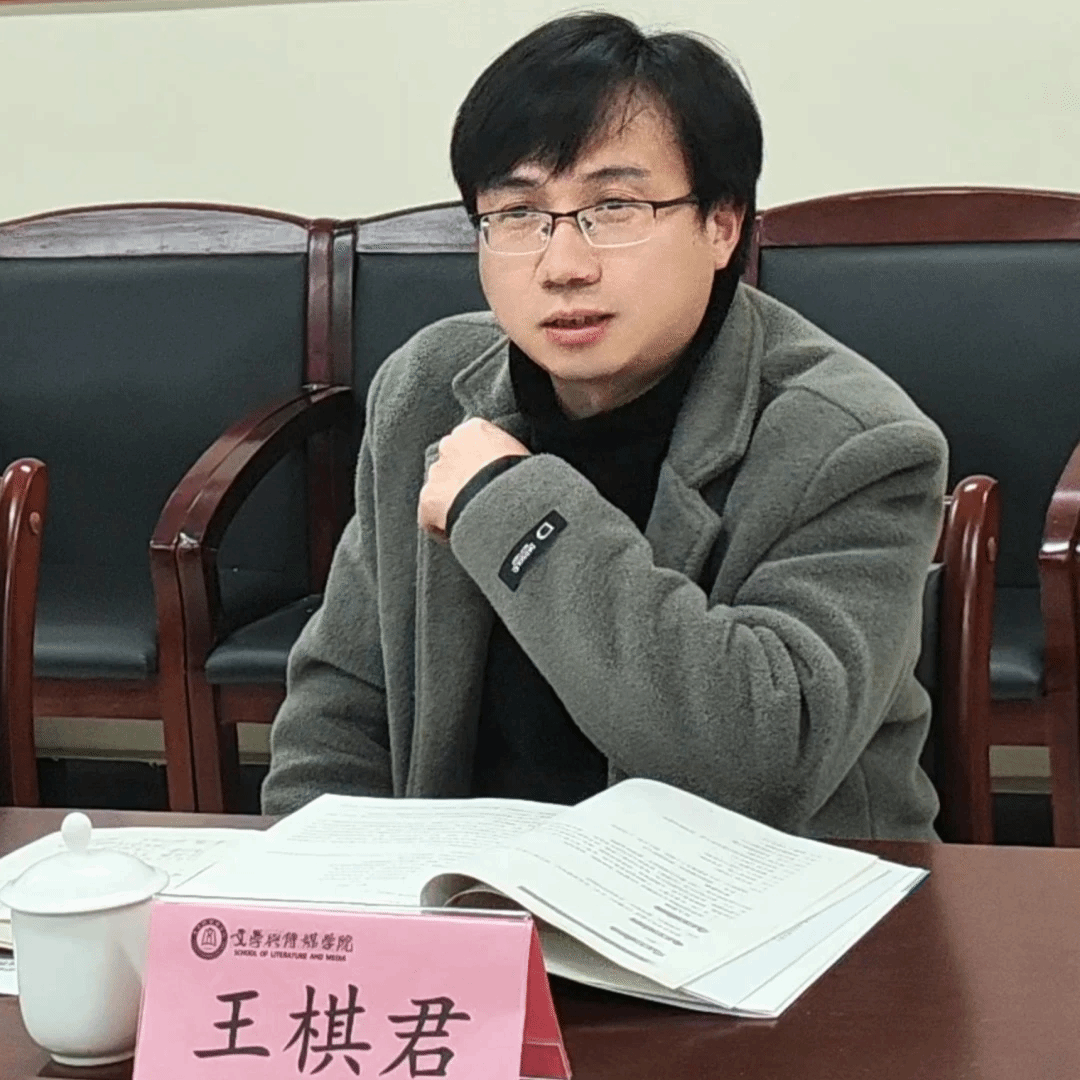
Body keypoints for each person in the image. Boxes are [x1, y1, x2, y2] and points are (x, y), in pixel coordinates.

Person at [262, 12, 947, 839]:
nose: (563, 265)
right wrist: (316, 875)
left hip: (764, 896)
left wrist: (510, 510)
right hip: (476, 887)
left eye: (614, 207)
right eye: (519, 213)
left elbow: (760, 764)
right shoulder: (428, 389)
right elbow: (342, 699)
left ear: (722, 223)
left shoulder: (855, 440)